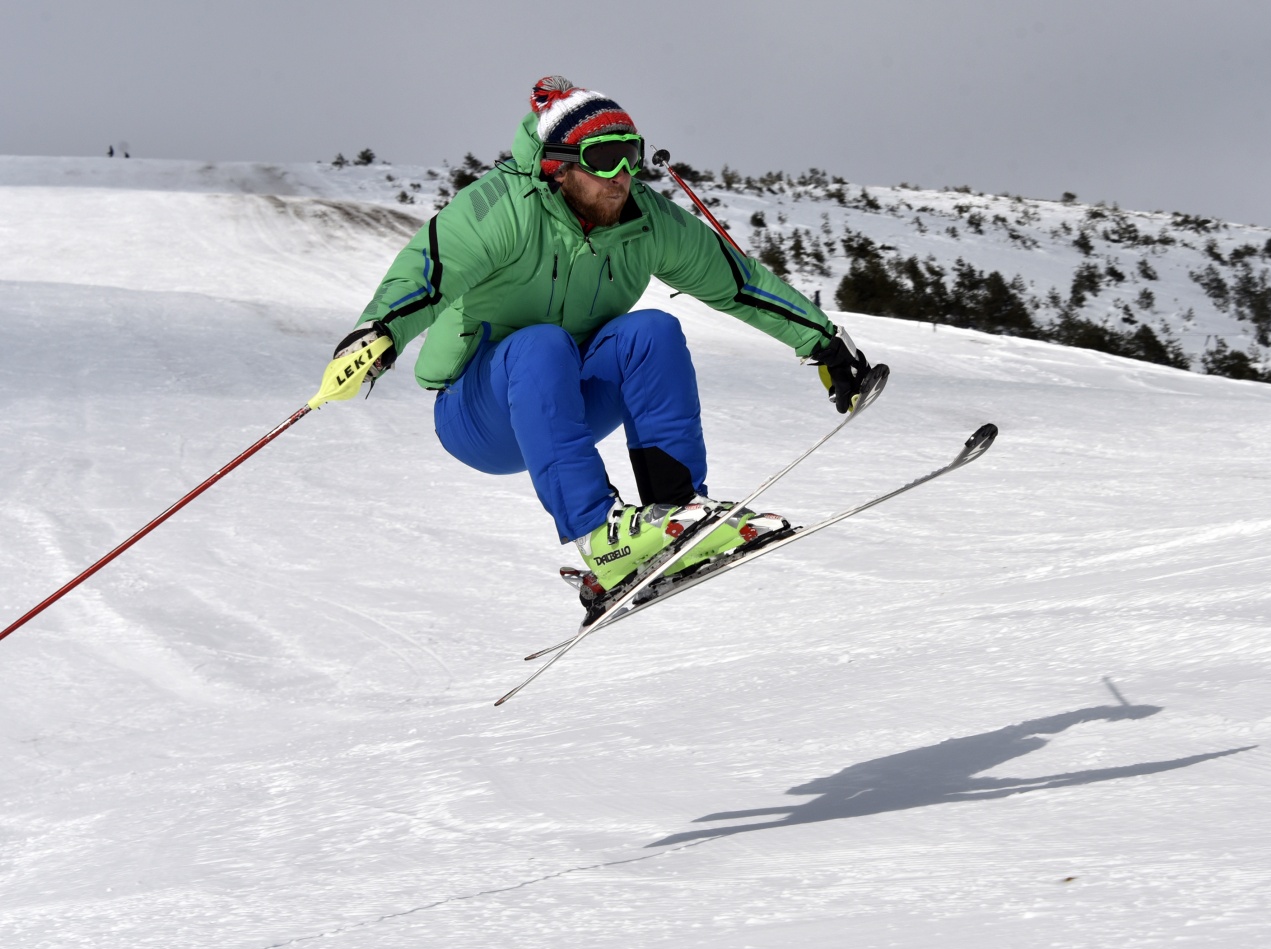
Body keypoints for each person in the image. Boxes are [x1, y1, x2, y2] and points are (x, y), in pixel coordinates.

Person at [331, 76, 873, 608]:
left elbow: (738, 283)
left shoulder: (645, 220)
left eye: (630, 157)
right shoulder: (503, 207)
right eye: (604, 158)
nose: (621, 177)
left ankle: (678, 515)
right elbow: (426, 272)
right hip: (479, 416)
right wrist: (379, 331)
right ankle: (598, 536)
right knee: (540, 344)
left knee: (652, 331)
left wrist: (823, 342)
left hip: (571, 400)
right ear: (559, 167)